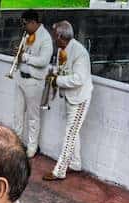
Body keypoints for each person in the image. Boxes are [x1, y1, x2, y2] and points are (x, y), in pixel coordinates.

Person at [43, 21, 94, 182]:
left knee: (70, 134)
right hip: (70, 96)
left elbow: (79, 79)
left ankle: (59, 171)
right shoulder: (61, 50)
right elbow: (61, 68)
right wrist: (54, 74)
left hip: (80, 98)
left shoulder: (80, 52)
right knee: (73, 131)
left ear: (60, 36)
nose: (53, 38)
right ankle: (76, 163)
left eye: (54, 35)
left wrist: (57, 80)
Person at [13, 9, 53, 159]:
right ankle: (16, 144)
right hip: (20, 78)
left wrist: (24, 57)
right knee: (17, 114)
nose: (23, 27)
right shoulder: (27, 35)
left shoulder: (45, 38)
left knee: (33, 117)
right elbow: (22, 56)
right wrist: (18, 56)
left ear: (33, 22)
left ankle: (31, 147)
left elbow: (43, 61)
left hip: (34, 82)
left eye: (25, 24)